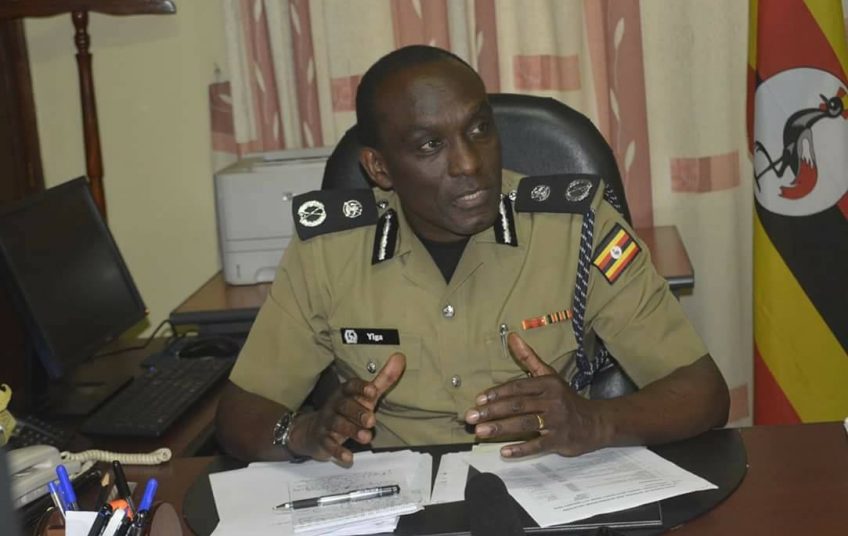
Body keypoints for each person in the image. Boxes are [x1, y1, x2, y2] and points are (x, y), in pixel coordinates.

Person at [215, 45, 729, 464]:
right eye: (429, 145)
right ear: (379, 168)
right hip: (401, 506)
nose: (468, 163)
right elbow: (239, 415)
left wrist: (594, 421)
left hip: (547, 493)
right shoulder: (329, 252)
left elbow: (704, 393)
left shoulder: (576, 228)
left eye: (479, 129)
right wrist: (304, 432)